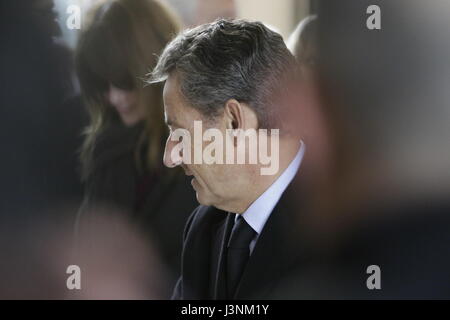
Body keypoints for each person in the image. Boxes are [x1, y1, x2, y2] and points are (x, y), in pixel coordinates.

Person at [147, 19, 309, 299]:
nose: (169, 157)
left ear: (235, 121)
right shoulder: (204, 227)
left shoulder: (338, 234)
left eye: (179, 133)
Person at [74, 0, 197, 295]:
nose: (116, 98)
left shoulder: (202, 147)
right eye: (102, 84)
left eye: (125, 80)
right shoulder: (105, 149)